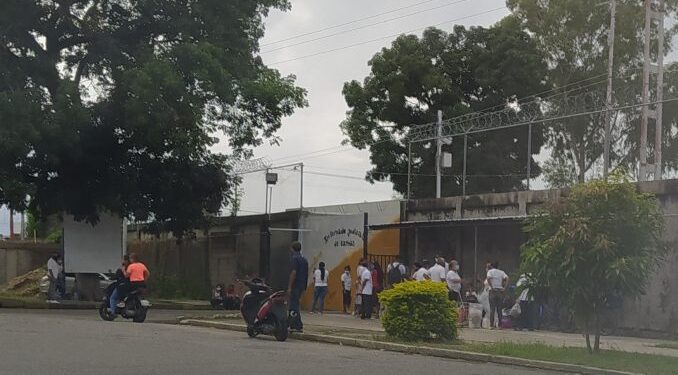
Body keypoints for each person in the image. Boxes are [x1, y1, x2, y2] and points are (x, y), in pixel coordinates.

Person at [287, 241, 308, 332]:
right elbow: (306, 274)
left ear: (292, 249)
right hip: (302, 285)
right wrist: (304, 287)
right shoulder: (304, 260)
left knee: (293, 305)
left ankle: (297, 325)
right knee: (295, 304)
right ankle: (290, 324)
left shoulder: (294, 259)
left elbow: (293, 273)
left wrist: (289, 287)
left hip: (295, 285)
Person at [485, 261, 509, 329]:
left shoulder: (490, 272)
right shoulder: (501, 272)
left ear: (492, 266)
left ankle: (491, 325)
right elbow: (507, 278)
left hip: (492, 291)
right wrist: (504, 288)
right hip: (499, 291)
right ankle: (500, 325)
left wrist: (491, 286)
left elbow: (488, 278)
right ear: (498, 266)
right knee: (499, 309)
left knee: (492, 309)